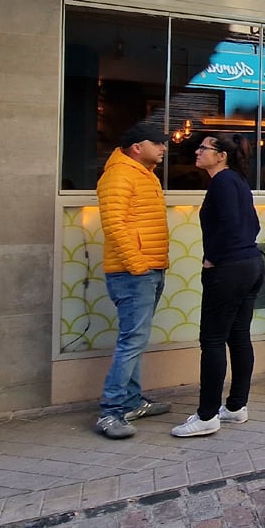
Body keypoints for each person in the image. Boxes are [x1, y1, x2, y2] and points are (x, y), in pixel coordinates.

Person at [171, 134, 265, 438]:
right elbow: (253, 225)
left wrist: (212, 257)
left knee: (212, 340)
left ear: (221, 155)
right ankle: (236, 407)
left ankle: (207, 415)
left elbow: (228, 225)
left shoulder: (223, 183)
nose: (196, 152)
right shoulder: (237, 181)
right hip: (250, 263)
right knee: (238, 336)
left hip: (229, 268)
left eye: (203, 148)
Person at [94, 122, 173, 439]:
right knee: (132, 340)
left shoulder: (142, 173)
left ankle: (130, 401)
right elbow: (114, 225)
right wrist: (138, 265)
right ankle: (110, 411)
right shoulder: (119, 175)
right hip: (133, 273)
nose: (164, 148)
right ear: (137, 147)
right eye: (158, 143)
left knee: (135, 339)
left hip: (148, 269)